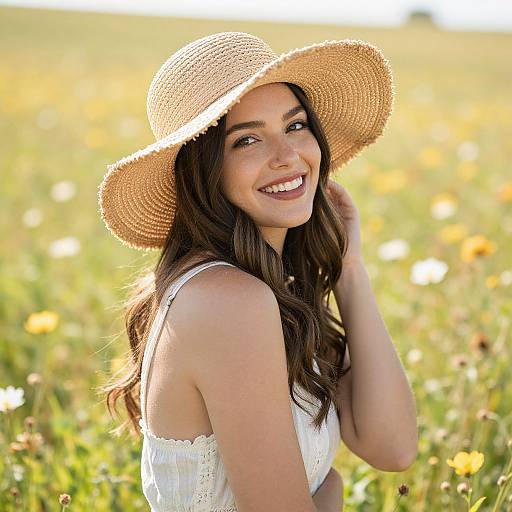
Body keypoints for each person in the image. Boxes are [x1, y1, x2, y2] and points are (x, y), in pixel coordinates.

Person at [98, 31, 418, 512]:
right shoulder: (227, 302)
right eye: (246, 139)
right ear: (204, 171)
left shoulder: (274, 286)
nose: (287, 156)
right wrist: (328, 493)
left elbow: (392, 447)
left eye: (295, 126)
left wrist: (349, 270)